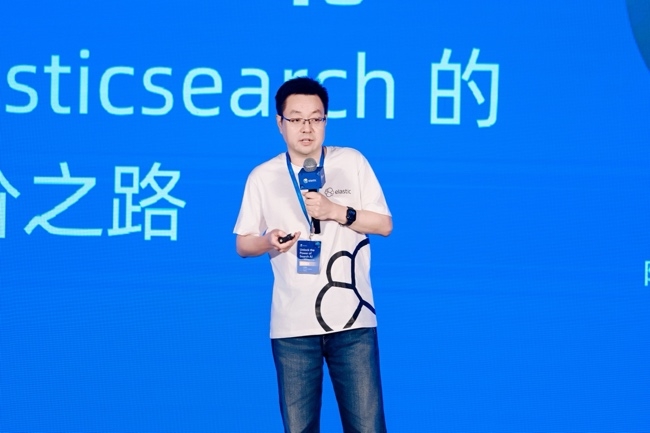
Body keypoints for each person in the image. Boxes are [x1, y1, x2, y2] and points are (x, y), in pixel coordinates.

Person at [233, 76, 392, 433]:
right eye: (296, 119)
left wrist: (337, 211)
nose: (307, 128)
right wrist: (268, 241)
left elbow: (384, 224)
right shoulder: (263, 176)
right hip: (293, 327)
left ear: (325, 120)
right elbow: (243, 243)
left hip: (353, 322)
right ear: (280, 123)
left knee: (368, 427)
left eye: (315, 118)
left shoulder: (351, 162)